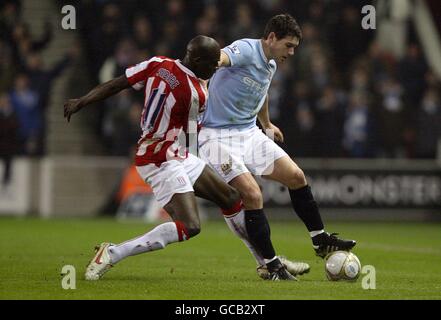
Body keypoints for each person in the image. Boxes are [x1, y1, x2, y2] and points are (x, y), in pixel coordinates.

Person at [64, 35, 301, 281]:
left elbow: (118, 83)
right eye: (211, 64)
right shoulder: (196, 93)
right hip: (160, 160)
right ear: (196, 60)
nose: (215, 68)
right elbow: (193, 134)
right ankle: (112, 253)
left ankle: (268, 263)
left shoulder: (158, 63)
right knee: (190, 226)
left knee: (231, 198)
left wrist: (82, 101)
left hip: (174, 153)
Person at [198, 14, 356, 271]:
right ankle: (271, 265)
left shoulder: (270, 64)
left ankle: (320, 240)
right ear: (271, 38)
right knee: (252, 194)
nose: (292, 52)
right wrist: (204, 72)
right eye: (289, 45)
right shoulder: (247, 50)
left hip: (248, 133)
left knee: (296, 176)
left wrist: (267, 124)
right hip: (216, 136)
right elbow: (220, 58)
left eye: (295, 47)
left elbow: (261, 91)